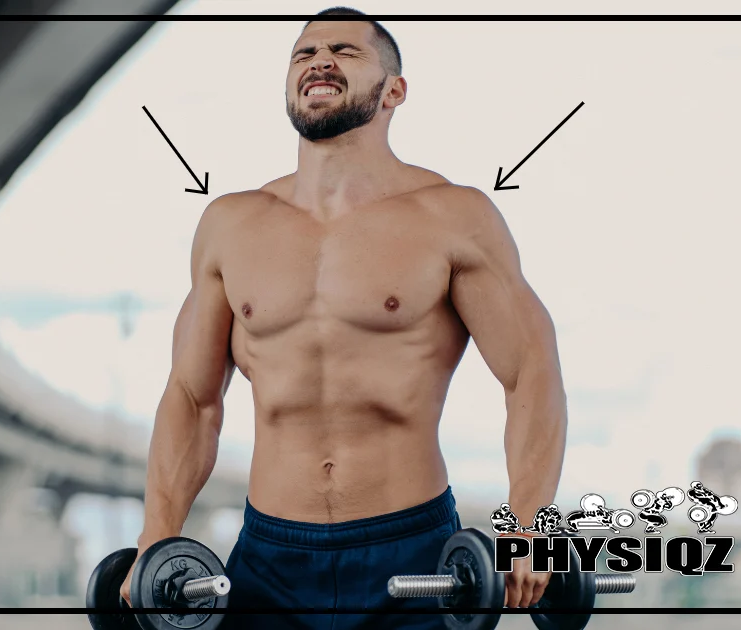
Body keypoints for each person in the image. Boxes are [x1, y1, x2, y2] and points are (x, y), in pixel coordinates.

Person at [120, 7, 566, 628]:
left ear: (395, 91)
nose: (319, 61)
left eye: (346, 52)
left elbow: (532, 372)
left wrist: (528, 524)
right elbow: (193, 400)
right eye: (304, 54)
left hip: (413, 553)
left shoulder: (452, 217)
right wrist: (157, 536)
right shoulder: (231, 224)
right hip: (270, 559)